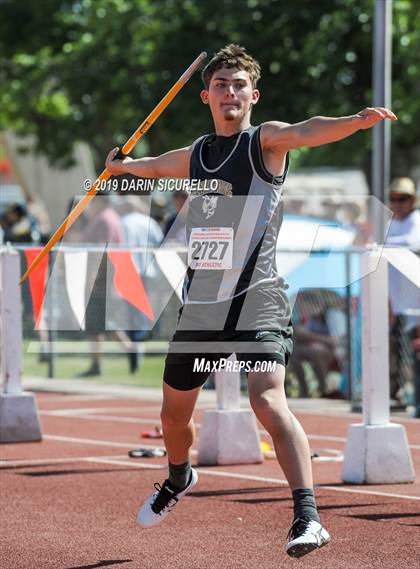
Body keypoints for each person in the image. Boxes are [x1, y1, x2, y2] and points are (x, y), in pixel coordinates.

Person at [105, 45, 397, 558]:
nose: (230, 92)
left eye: (239, 85)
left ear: (253, 95)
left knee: (267, 400)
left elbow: (308, 129)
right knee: (174, 417)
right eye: (221, 84)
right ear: (206, 96)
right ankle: (179, 475)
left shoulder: (265, 143)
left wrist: (355, 120)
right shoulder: (195, 155)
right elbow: (152, 167)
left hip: (258, 299)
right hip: (203, 307)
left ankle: (307, 517)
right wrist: (119, 168)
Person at [386, 177, 420, 412]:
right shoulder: (392, 223)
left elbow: (412, 242)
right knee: (395, 350)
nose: (398, 203)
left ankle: (414, 397)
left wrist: (380, 244)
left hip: (415, 303)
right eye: (394, 198)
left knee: (413, 351)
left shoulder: (415, 220)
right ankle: (397, 394)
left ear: (413, 200)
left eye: (403, 198)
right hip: (396, 302)